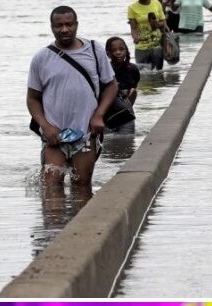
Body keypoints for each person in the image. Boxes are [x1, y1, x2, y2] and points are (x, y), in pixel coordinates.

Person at [27, 6, 117, 199]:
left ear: (76, 25)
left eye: (69, 24)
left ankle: (82, 227)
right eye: (59, 25)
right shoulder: (41, 58)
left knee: (82, 185)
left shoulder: (94, 50)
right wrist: (45, 126)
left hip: (86, 134)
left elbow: (111, 86)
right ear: (52, 27)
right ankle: (54, 229)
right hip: (54, 137)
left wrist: (99, 115)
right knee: (51, 187)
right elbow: (32, 99)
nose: (64, 29)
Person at [105, 37, 139, 134]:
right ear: (108, 53)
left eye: (121, 49)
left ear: (126, 50)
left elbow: (134, 88)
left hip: (126, 107)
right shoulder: (106, 70)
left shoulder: (133, 69)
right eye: (114, 50)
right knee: (108, 136)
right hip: (109, 109)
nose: (118, 52)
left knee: (127, 137)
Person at [128, 0, 167, 70]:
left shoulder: (157, 3)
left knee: (158, 73)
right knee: (142, 74)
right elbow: (133, 28)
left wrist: (158, 24)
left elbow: (163, 22)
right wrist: (135, 37)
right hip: (141, 46)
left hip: (157, 46)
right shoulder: (131, 7)